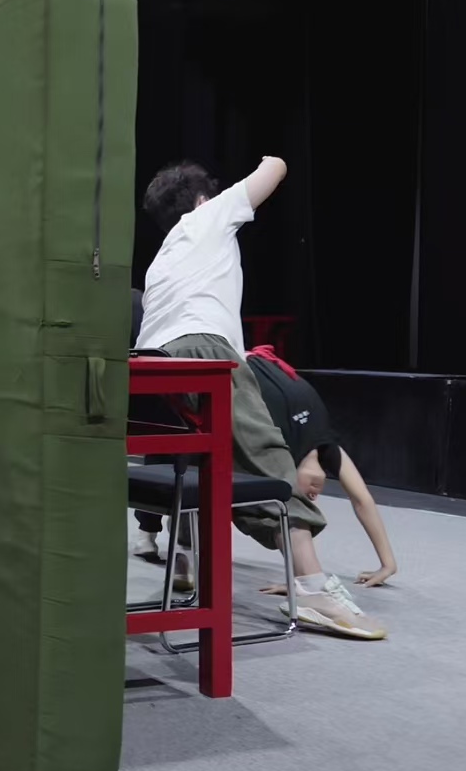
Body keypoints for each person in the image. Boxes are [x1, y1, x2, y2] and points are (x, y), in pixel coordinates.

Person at [137, 157, 386, 640]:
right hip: (205, 355)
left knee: (222, 469)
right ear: (202, 201)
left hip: (157, 366)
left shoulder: (164, 256)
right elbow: (275, 167)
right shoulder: (207, 217)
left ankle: (197, 561)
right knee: (271, 460)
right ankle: (312, 589)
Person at [132, 345, 402, 591]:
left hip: (249, 367)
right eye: (311, 493)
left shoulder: (326, 446)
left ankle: (175, 547)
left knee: (210, 470)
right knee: (195, 464)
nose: (312, 495)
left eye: (311, 495)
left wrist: (387, 563)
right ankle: (158, 536)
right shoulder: (274, 435)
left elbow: (362, 499)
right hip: (228, 367)